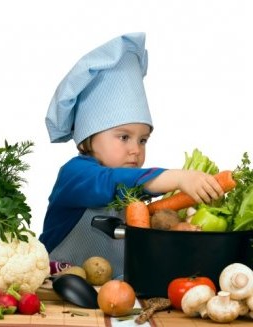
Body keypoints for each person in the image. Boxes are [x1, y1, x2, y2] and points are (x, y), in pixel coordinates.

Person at [39, 32, 224, 278]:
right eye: (124, 137)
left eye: (143, 139)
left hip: (116, 295)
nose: (136, 149)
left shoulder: (136, 193)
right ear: (89, 138)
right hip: (56, 285)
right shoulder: (76, 174)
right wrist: (179, 178)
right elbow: (111, 182)